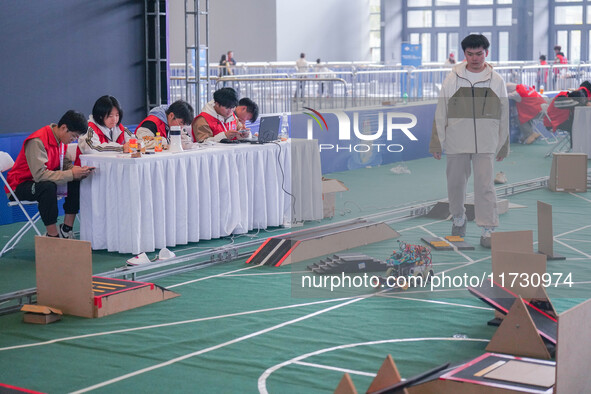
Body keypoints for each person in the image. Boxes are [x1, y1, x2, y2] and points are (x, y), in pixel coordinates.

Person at [429, 34, 509, 249]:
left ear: (487, 53)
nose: (475, 58)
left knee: (485, 187)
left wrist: (503, 143)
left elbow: (504, 114)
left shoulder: (496, 80)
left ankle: (488, 228)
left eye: (479, 53)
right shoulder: (452, 78)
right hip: (456, 142)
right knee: (455, 186)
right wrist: (437, 142)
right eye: (470, 54)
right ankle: (458, 218)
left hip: (486, 143)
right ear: (464, 54)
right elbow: (441, 111)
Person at [5, 110, 94, 238]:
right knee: (47, 187)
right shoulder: (38, 141)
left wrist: (79, 171)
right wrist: (71, 173)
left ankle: (66, 229)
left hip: (41, 181)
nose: (74, 140)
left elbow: (66, 164)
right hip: (18, 186)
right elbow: (40, 176)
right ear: (64, 128)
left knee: (76, 180)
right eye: (74, 136)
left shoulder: (61, 141)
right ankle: (52, 236)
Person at [76, 95, 133, 162]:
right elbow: (91, 149)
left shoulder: (119, 128)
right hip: (87, 170)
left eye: (117, 115)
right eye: (110, 116)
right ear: (100, 116)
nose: (114, 119)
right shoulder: (89, 128)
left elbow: (134, 140)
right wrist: (121, 148)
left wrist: (134, 145)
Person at [544, 81, 591, 148]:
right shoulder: (562, 97)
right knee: (578, 127)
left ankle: (578, 148)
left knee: (580, 125)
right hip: (552, 122)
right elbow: (570, 104)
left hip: (559, 120)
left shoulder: (568, 96)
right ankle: (576, 148)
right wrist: (584, 103)